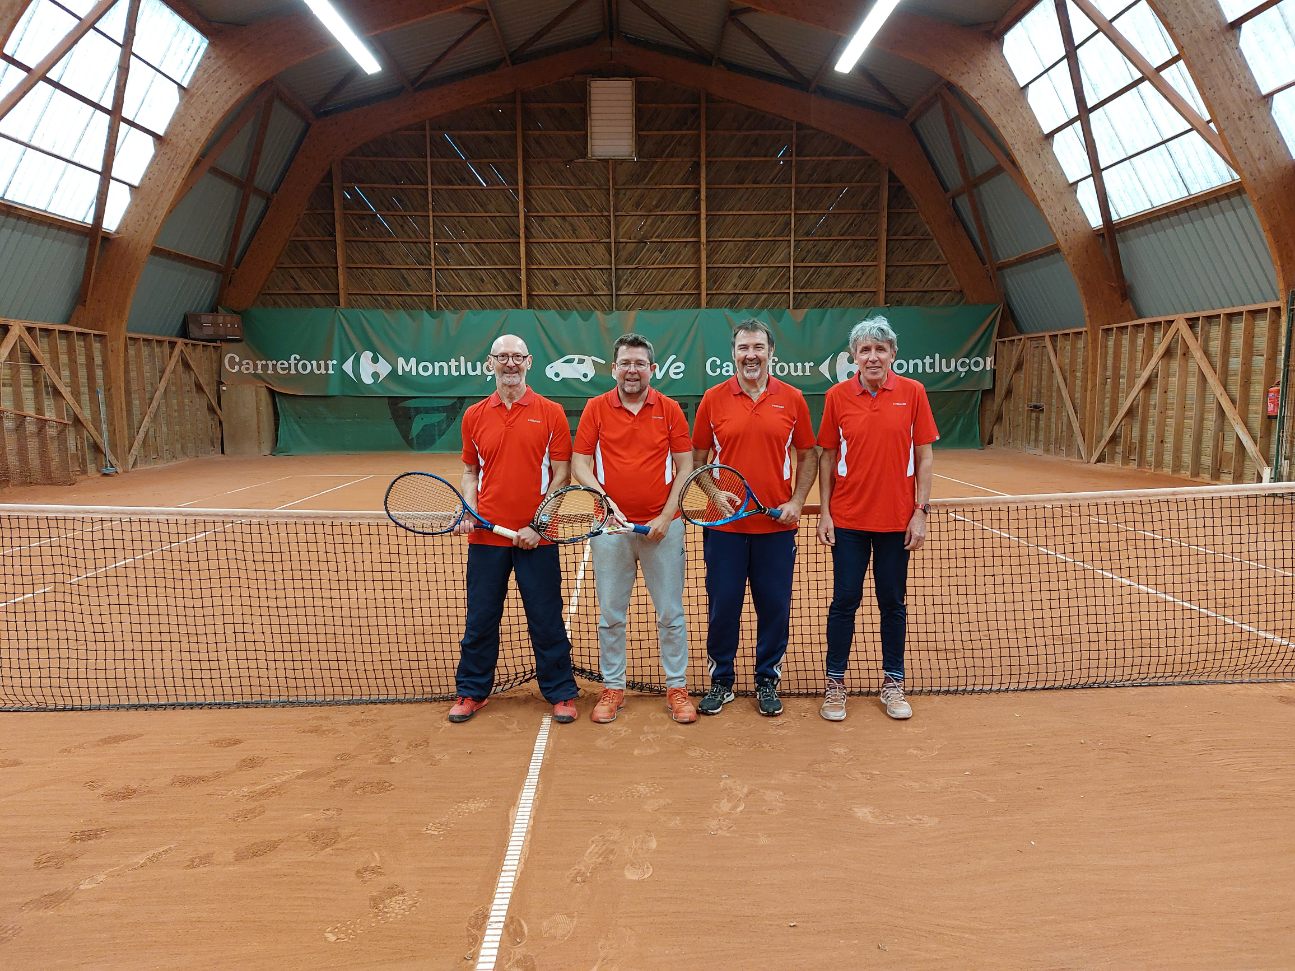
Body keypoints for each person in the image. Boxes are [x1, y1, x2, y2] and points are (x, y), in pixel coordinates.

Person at [447, 334, 581, 725]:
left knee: (546, 617)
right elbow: (470, 471)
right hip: (486, 538)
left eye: (517, 357)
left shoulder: (551, 412)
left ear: (529, 362)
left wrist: (537, 525)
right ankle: (472, 691)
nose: (510, 363)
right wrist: (470, 508)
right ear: (490, 362)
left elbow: (562, 474)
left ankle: (560, 692)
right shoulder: (474, 415)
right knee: (480, 618)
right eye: (502, 357)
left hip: (537, 539)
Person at [691, 319, 817, 717]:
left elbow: (808, 455)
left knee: (774, 607)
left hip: (777, 528)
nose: (751, 355)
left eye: (758, 347)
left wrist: (797, 501)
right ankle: (721, 681)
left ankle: (767, 680)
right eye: (744, 348)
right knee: (723, 607)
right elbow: (698, 461)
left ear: (771, 352)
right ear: (733, 353)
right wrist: (714, 494)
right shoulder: (712, 399)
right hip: (725, 528)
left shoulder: (793, 399)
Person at [815, 317, 937, 722]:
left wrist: (920, 512)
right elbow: (827, 456)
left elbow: (924, 455)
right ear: (853, 356)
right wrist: (826, 512)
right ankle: (835, 684)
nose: (872, 357)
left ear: (892, 354)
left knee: (892, 603)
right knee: (844, 601)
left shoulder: (914, 393)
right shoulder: (836, 396)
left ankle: (893, 683)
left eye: (880, 349)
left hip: (897, 522)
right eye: (865, 349)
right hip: (849, 520)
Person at [571, 333, 696, 724]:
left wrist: (665, 516)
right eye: (625, 363)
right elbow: (579, 464)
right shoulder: (595, 408)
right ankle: (613, 686)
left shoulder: (670, 409)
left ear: (652, 369)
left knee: (671, 613)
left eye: (640, 363)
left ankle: (676, 687)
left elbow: (686, 466)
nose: (632, 370)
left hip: (663, 530)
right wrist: (605, 504)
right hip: (610, 530)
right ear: (614, 368)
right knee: (611, 614)